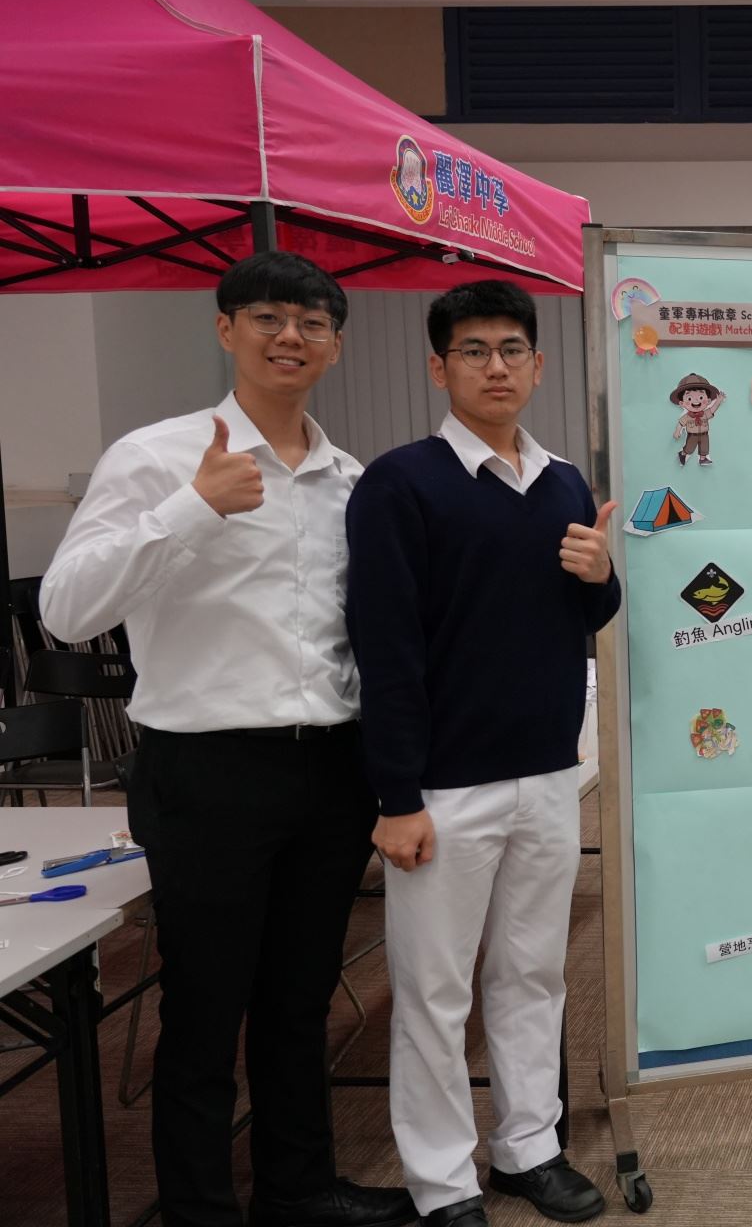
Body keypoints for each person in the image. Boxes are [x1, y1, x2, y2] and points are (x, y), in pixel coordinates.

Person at [40, 251, 412, 1227]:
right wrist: (190, 509)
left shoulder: (350, 480)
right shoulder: (156, 457)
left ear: (335, 346)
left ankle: (298, 1188)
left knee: (301, 996)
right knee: (205, 1005)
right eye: (268, 318)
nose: (291, 337)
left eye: (314, 323)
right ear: (225, 329)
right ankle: (199, 1207)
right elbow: (67, 611)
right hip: (207, 769)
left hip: (328, 767)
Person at [346, 280, 622, 1227]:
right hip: (441, 788)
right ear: (439, 367)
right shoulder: (400, 484)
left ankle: (528, 1148)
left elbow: (582, 614)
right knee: (432, 990)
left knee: (533, 971)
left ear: (538, 365)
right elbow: (385, 648)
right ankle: (442, 1182)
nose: (495, 366)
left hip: (547, 772)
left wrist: (603, 578)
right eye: (473, 350)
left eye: (511, 349)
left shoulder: (563, 482)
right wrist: (396, 794)